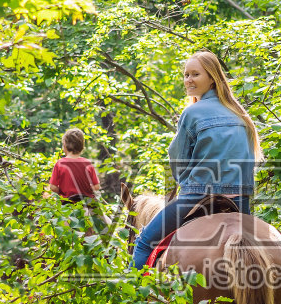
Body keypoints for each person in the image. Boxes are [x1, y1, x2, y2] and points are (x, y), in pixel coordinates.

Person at [131, 52, 259, 269]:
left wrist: (186, 183)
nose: (188, 79)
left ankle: (132, 301)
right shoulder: (240, 114)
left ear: (212, 78)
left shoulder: (193, 113)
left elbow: (178, 159)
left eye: (195, 74)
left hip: (198, 197)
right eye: (186, 74)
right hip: (239, 202)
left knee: (143, 243)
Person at [49, 128, 104, 233]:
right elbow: (96, 187)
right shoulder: (88, 163)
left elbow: (52, 187)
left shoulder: (60, 163)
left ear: (64, 144)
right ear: (82, 146)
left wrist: (62, 190)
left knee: (50, 230)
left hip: (67, 207)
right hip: (88, 206)